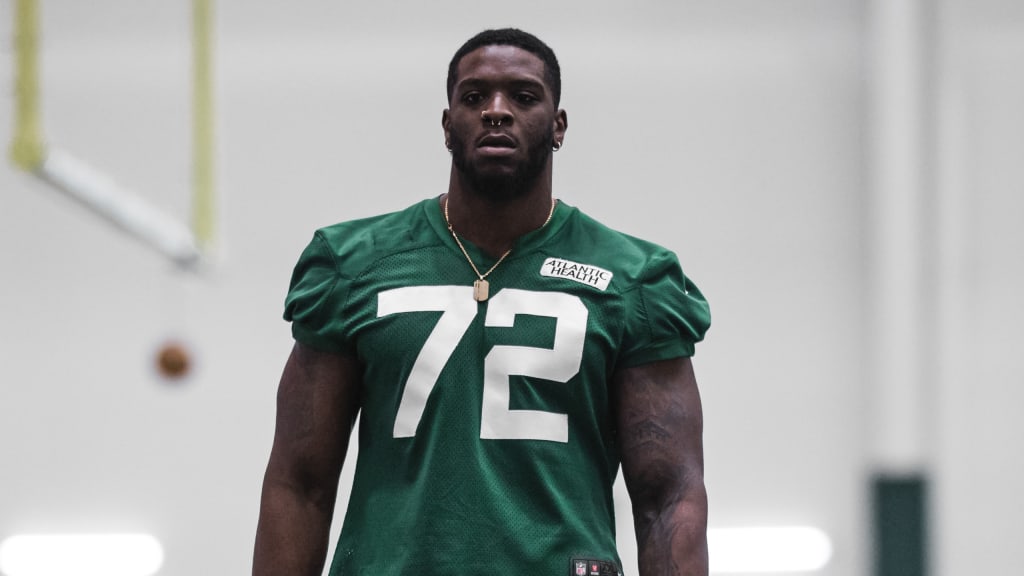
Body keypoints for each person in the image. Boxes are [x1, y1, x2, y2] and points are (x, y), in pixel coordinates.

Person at [253, 28, 711, 576]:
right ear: (447, 125)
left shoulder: (632, 279)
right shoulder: (354, 265)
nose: (497, 111)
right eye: (474, 98)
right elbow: (298, 482)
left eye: (522, 96)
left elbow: (669, 498)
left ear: (558, 125)